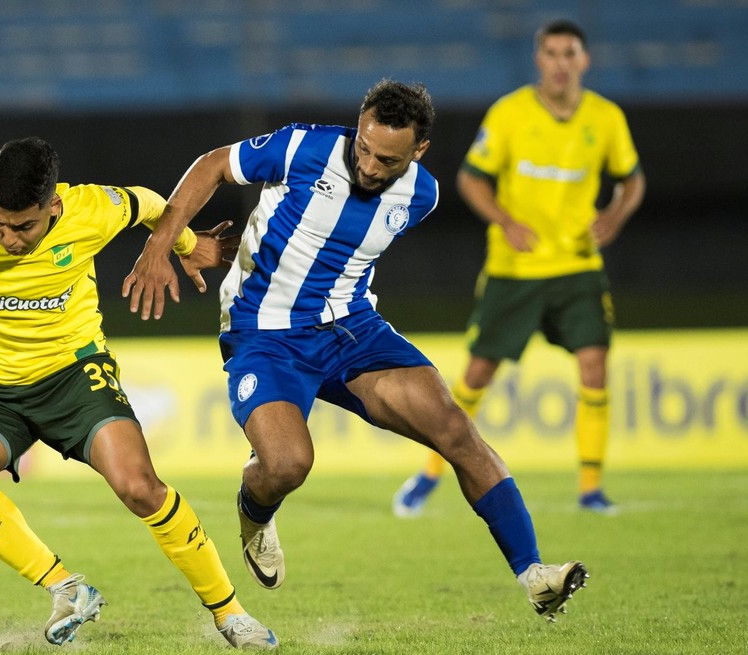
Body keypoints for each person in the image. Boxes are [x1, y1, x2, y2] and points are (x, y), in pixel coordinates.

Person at [122, 80, 588, 621]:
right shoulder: (304, 147)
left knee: (456, 431)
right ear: (359, 124)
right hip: (264, 334)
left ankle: (535, 575)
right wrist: (164, 243)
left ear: (418, 152)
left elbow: (337, 249)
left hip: (352, 330)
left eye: (386, 159)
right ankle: (255, 513)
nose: (368, 165)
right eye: (363, 148)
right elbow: (212, 166)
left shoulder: (422, 195)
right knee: (288, 464)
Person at [0, 137, 278, 649]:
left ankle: (230, 614)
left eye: (24, 227)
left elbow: (149, 203)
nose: (8, 238)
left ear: (53, 206)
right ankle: (67, 588)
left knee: (140, 487)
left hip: (75, 376)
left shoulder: (90, 208)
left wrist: (185, 245)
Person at [392, 19, 645, 517]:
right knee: (478, 373)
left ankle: (591, 489)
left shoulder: (606, 118)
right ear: (539, 60)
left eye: (569, 53)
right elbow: (471, 179)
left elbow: (631, 179)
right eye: (551, 53)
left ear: (584, 60)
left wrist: (614, 215)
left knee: (594, 365)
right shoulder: (509, 114)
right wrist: (504, 220)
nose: (560, 63)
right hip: (516, 269)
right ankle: (428, 475)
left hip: (578, 266)